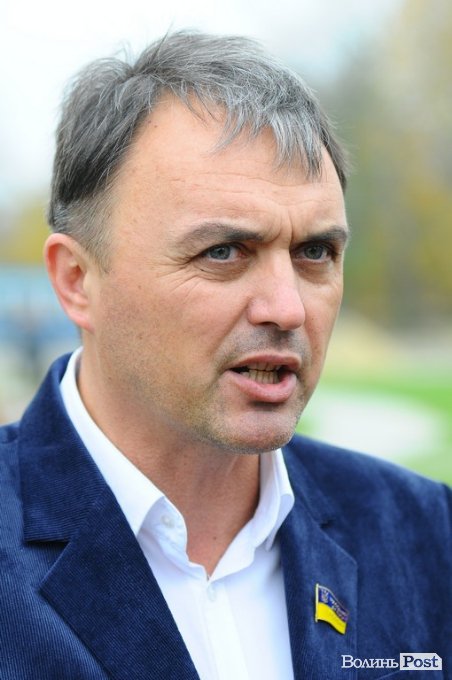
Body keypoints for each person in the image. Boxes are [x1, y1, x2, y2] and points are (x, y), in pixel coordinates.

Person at [0, 31, 450, 680]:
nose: (287, 308)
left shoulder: (426, 534)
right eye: (223, 252)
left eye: (315, 252)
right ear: (77, 280)